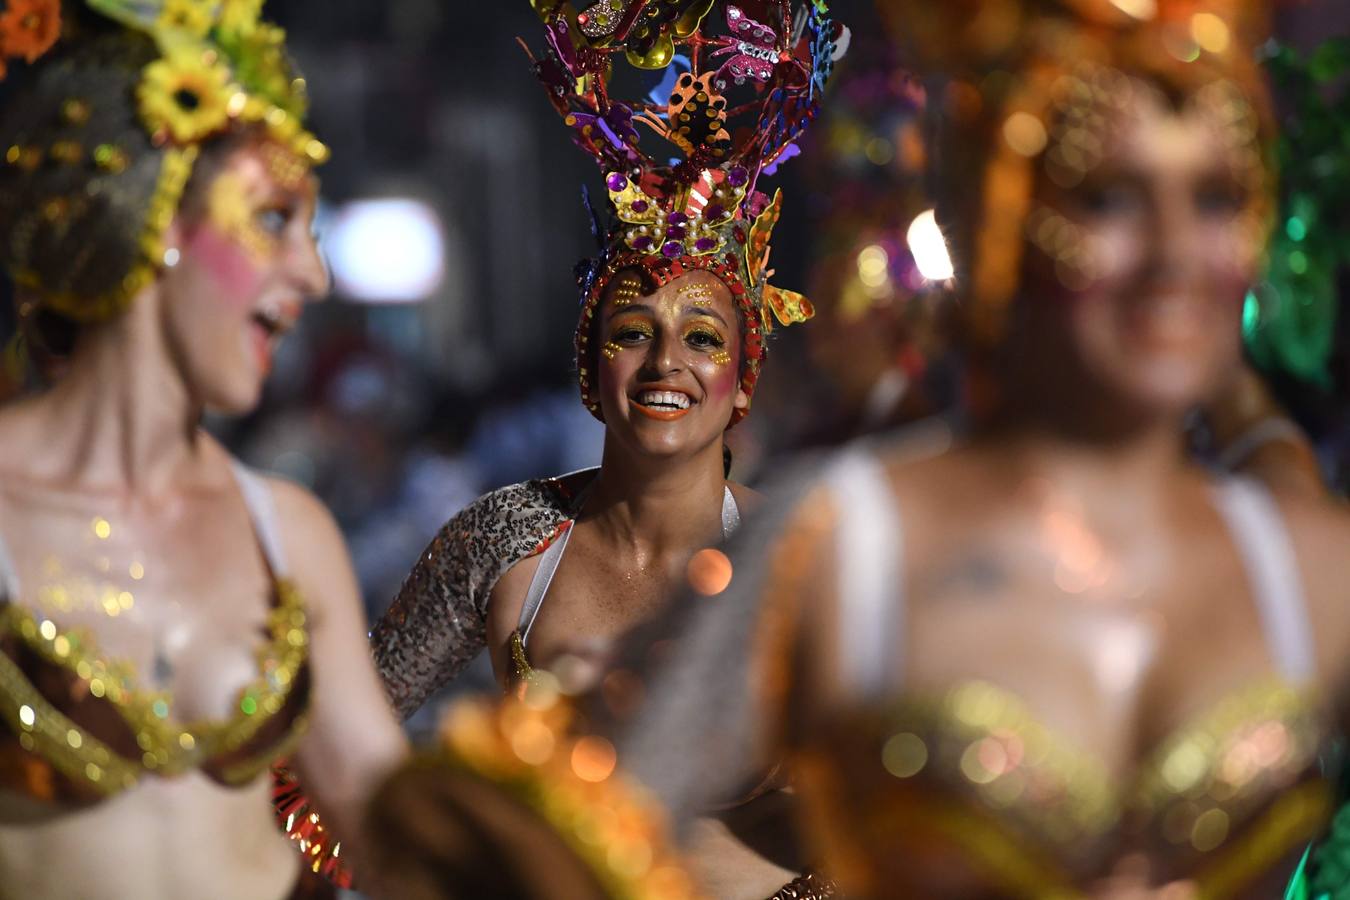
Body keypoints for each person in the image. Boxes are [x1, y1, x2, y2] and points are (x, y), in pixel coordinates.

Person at [366, 1, 1350, 897]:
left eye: (1218, 196)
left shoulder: (1307, 565)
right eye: (1108, 200)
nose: (1177, 257)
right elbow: (551, 843)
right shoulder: (844, 541)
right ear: (997, 211)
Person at [362, 2, 844, 897]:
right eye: (633, 331)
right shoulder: (507, 537)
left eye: (703, 337)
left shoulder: (802, 561)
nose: (667, 362)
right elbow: (346, 739)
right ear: (591, 370)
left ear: (744, 379)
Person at [0, 2, 405, 897]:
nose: (314, 273)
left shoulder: (287, 536)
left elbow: (396, 836)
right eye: (273, 220)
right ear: (155, 220)